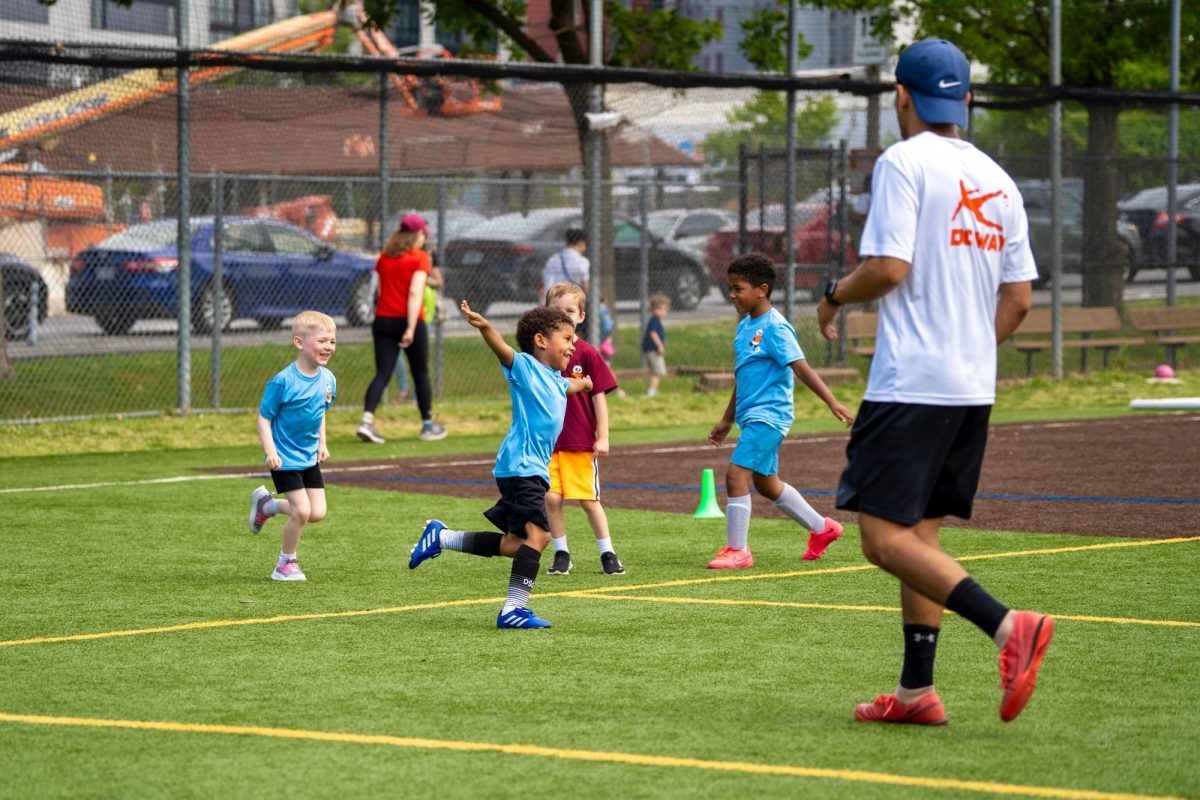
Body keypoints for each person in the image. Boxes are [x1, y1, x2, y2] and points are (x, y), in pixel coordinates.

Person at [815, 38, 1053, 726]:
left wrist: (832, 294)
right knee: (920, 538)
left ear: (901, 97)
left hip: (911, 381)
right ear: (967, 100)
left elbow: (887, 267)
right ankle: (917, 691)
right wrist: (971, 348)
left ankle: (1010, 627)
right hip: (971, 385)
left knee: (882, 540)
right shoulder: (999, 180)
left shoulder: (903, 162)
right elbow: (1020, 299)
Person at [408, 301, 593, 629]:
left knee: (515, 544)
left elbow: (570, 386)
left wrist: (587, 384)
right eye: (566, 338)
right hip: (522, 468)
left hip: (526, 470)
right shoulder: (525, 368)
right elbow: (503, 350)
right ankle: (513, 609)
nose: (573, 344)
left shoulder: (556, 379)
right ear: (540, 341)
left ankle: (442, 538)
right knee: (540, 536)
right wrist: (484, 327)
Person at [706, 254, 854, 571]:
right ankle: (822, 528)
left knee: (735, 476)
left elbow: (801, 368)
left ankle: (738, 551)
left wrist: (832, 402)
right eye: (730, 288)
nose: (732, 295)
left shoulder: (776, 327)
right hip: (751, 417)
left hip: (770, 416)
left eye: (738, 288)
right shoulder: (745, 326)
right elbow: (743, 374)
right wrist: (728, 418)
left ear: (761, 289)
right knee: (766, 484)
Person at [248, 310, 338, 582]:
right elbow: (264, 418)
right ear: (299, 343)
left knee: (317, 513)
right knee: (301, 511)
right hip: (284, 457)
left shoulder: (328, 379)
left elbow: (319, 411)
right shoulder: (283, 381)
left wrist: (323, 442)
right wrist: (271, 452)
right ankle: (285, 565)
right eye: (322, 341)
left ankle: (267, 506)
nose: (328, 347)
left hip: (309, 456)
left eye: (332, 341)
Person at [542, 282, 624, 576]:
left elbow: (598, 396)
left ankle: (608, 553)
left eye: (569, 311)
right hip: (548, 443)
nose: (562, 316)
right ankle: (561, 552)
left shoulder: (587, 353)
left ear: (581, 316)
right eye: (555, 311)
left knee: (588, 500)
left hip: (579, 442)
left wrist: (603, 436)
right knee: (551, 497)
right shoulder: (540, 354)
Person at [357, 213, 447, 444]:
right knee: (420, 373)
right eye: (424, 233)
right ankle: (427, 426)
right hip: (409, 320)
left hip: (383, 320)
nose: (425, 238)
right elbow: (416, 292)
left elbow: (375, 291)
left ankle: (366, 421)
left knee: (383, 373)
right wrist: (410, 327)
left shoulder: (385, 257)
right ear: (417, 234)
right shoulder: (420, 258)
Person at [392, 256, 443, 406]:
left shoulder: (429, 257)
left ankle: (416, 396)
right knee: (396, 355)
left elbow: (438, 282)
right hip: (403, 315)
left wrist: (421, 278)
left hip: (423, 317)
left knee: (419, 360)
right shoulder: (402, 255)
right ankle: (404, 389)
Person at [541, 229, 589, 297]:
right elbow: (585, 286)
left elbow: (545, 281)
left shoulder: (553, 259)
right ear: (581, 243)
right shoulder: (583, 262)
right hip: (574, 299)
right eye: (585, 245)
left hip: (555, 298)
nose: (585, 248)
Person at [641, 293, 669, 397]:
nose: (662, 312)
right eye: (659, 309)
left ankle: (653, 389)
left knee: (656, 371)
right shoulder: (654, 321)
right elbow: (653, 333)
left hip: (651, 350)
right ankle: (651, 391)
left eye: (665, 310)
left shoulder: (656, 321)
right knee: (658, 371)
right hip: (653, 350)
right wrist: (659, 345)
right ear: (653, 309)